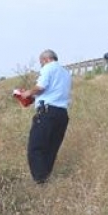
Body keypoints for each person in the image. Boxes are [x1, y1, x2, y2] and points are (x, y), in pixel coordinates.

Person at [20, 49, 72, 184]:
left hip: (47, 113)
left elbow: (41, 87)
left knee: (35, 148)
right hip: (62, 114)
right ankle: (45, 177)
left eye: (41, 63)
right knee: (51, 148)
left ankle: (40, 180)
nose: (41, 65)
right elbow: (53, 91)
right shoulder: (66, 72)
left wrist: (28, 93)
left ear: (46, 59)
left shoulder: (48, 68)